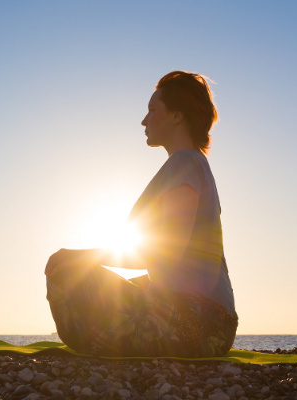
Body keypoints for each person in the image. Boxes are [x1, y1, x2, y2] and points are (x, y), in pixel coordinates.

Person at [44, 71, 237, 357]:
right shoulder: (193, 165)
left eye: (152, 110)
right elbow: (172, 268)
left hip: (199, 323)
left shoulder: (184, 163)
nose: (144, 120)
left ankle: (101, 342)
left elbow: (165, 254)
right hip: (208, 323)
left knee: (63, 269)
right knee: (103, 283)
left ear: (176, 116)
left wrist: (79, 258)